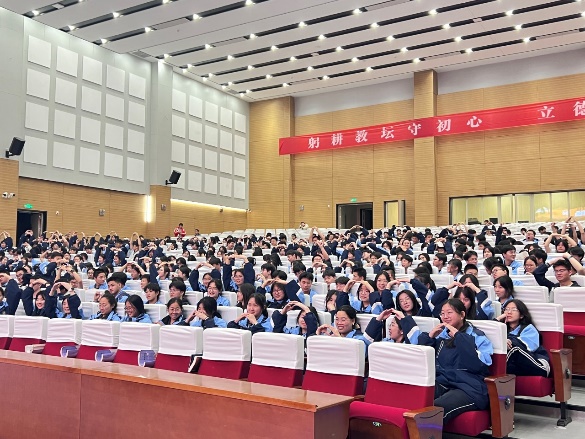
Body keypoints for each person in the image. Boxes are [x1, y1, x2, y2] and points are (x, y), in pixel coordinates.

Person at [415, 299, 493, 424]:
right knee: (416, 398)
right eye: (442, 313)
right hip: (443, 381)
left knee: (436, 409)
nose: (445, 316)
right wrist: (429, 338)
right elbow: (422, 360)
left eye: (449, 312)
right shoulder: (441, 335)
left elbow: (480, 365)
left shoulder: (477, 336)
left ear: (462, 315)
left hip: (468, 386)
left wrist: (458, 336)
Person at [497, 299, 550, 377]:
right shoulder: (503, 330)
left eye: (514, 309)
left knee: (514, 349)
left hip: (539, 364)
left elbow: (523, 346)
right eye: (506, 309)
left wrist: (505, 341)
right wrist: (497, 321)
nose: (509, 312)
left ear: (521, 315)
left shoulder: (529, 329)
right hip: (517, 367)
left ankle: (497, 376)